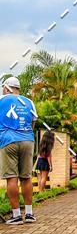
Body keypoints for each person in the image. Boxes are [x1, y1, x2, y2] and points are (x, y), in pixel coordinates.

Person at [0, 76, 38, 225]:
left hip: (8, 141)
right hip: (28, 140)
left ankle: (16, 215)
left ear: (6, 88)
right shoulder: (29, 102)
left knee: (12, 178)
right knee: (26, 177)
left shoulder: (2, 100)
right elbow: (33, 123)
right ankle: (29, 214)